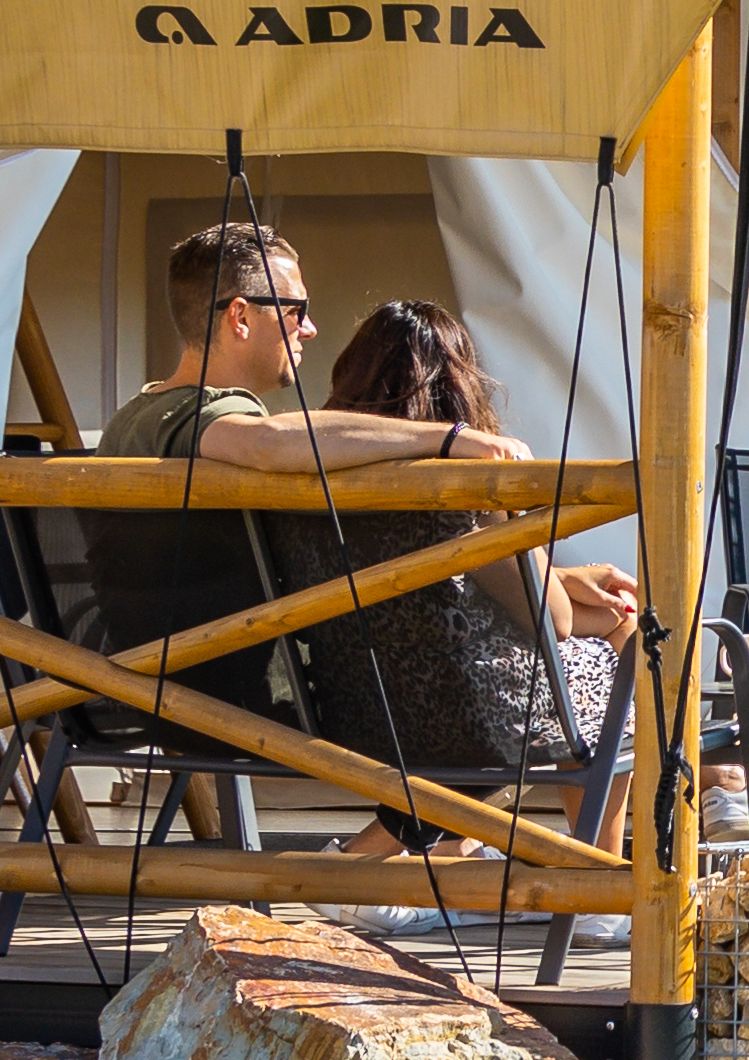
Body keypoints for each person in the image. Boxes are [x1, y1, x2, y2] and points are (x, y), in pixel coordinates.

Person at [269, 301, 632, 784]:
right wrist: (516, 523)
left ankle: (449, 840)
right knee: (628, 642)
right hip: (469, 714)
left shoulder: (303, 486)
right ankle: (592, 854)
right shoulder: (459, 490)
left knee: (610, 619)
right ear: (460, 385)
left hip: (349, 712)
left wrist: (570, 581)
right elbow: (555, 621)